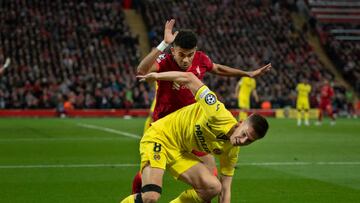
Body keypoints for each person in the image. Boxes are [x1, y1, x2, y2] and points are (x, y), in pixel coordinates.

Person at [132, 19, 271, 193]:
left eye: (190, 54)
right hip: (163, 124)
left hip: (191, 126)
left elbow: (219, 69)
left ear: (195, 51)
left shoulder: (201, 59)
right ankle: (138, 195)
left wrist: (248, 74)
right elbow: (142, 71)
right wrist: (164, 44)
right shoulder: (165, 60)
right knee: (148, 175)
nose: (186, 59)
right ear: (173, 50)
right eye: (181, 54)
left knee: (211, 182)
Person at [120, 71, 269, 203]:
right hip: (160, 137)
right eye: (244, 134)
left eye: (249, 140)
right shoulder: (216, 112)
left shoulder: (231, 150)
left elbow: (225, 189)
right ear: (240, 123)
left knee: (213, 187)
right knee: (151, 197)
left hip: (180, 151)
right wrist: (157, 76)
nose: (241, 141)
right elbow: (189, 77)